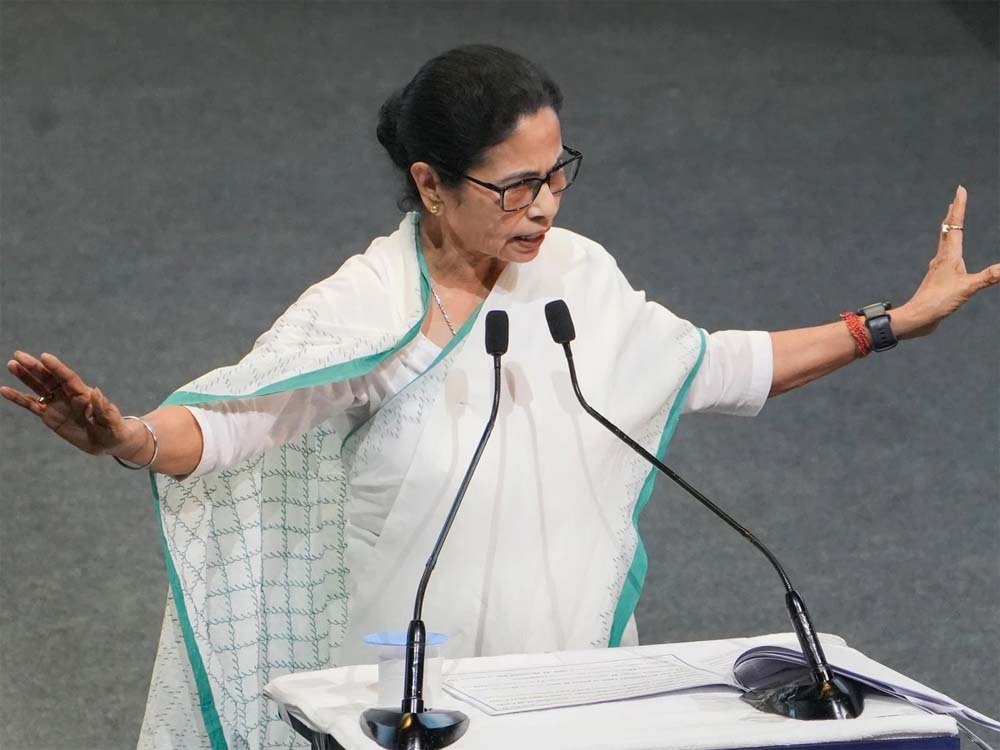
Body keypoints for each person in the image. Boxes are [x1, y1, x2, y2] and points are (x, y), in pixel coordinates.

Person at [2, 44, 997, 750]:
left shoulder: (577, 277)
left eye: (557, 175)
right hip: (413, 696)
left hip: (573, 681)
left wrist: (889, 324)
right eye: (515, 187)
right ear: (432, 185)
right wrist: (127, 436)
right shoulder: (369, 305)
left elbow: (712, 365)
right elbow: (235, 425)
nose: (546, 205)